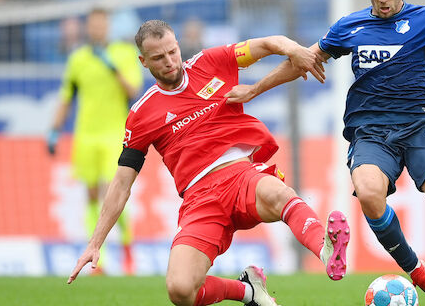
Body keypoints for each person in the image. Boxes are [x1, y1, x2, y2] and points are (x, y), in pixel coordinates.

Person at [224, 0, 425, 306]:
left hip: (419, 124)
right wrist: (253, 89)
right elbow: (302, 62)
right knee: (370, 195)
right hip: (371, 131)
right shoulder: (349, 27)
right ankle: (417, 271)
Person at [66, 20, 350, 306]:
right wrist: (95, 243)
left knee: (277, 193)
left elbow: (266, 43)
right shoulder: (141, 115)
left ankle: (325, 250)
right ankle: (248, 291)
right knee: (180, 289)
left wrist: (295, 49)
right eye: (158, 58)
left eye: (172, 51)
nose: (169, 62)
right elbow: (121, 184)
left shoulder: (210, 62)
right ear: (143, 61)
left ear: (177, 45)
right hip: (199, 199)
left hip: (240, 176)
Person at [48, 8, 142, 274]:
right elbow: (67, 96)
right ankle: (97, 260)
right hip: (85, 135)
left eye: (102, 24)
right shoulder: (78, 58)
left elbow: (133, 90)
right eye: (93, 25)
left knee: (112, 193)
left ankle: (127, 249)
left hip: (114, 134)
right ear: (88, 27)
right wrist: (54, 130)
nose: (97, 29)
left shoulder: (123, 55)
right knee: (90, 194)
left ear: (108, 26)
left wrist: (112, 68)